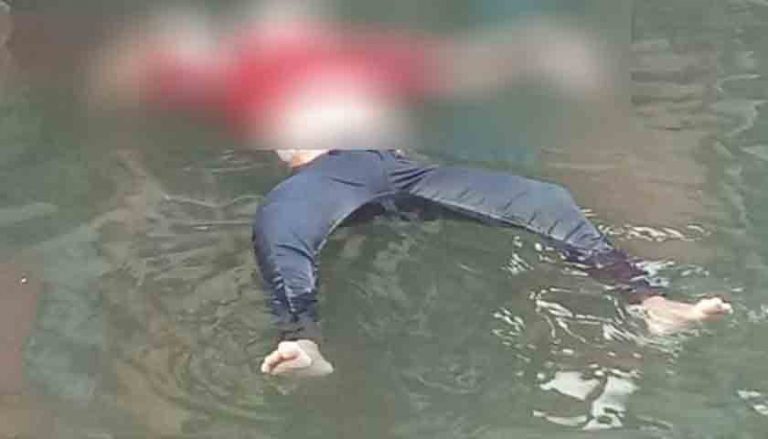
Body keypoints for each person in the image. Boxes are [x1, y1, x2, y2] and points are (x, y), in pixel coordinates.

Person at [86, 2, 732, 379]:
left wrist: (529, 49)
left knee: (546, 199)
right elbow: (132, 81)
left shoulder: (364, 56)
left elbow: (461, 68)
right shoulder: (240, 64)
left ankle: (648, 301)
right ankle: (302, 340)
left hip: (401, 168)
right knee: (279, 229)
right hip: (322, 172)